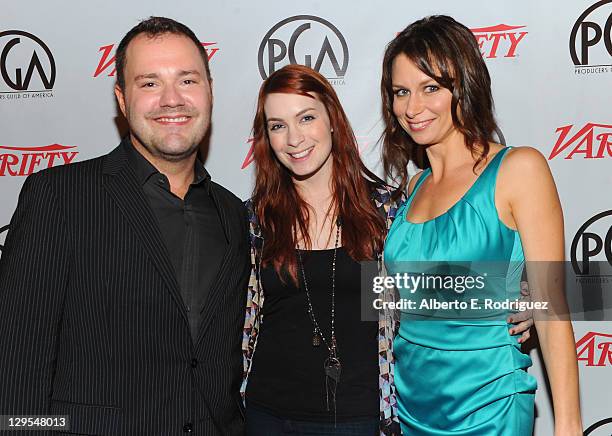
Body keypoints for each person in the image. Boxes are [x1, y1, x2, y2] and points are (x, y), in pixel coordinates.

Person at [239, 64, 532, 436]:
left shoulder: (388, 211)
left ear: (333, 121)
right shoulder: (254, 220)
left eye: (306, 117)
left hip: (363, 416)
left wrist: (525, 297)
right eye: (277, 125)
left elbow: (443, 279)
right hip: (268, 415)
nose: (293, 138)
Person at [0, 17, 249, 435]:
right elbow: (16, 363)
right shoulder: (60, 196)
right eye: (149, 83)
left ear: (209, 90)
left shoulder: (233, 213)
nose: (172, 99)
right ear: (121, 97)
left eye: (187, 80)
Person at [381, 15, 582, 435]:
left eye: (430, 88)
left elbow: (551, 303)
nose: (412, 108)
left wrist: (568, 425)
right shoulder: (413, 187)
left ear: (464, 85)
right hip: (412, 407)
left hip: (489, 405)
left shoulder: (518, 169)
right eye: (402, 92)